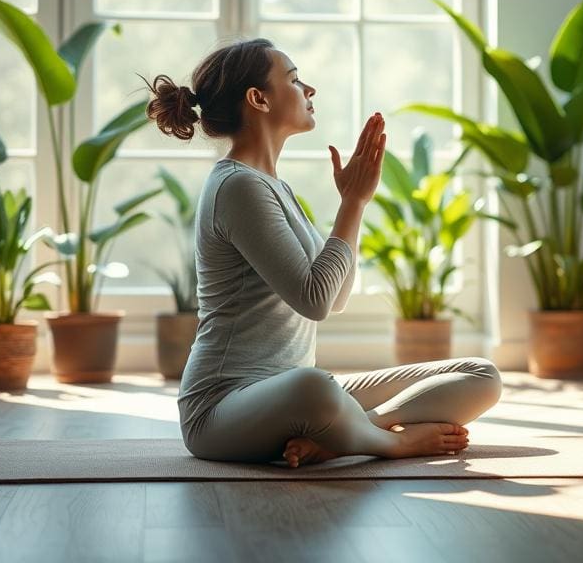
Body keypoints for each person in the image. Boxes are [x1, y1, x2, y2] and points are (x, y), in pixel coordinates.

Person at [143, 37, 502, 468]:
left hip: (293, 399)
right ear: (258, 98)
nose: (309, 90)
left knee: (482, 376)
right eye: (294, 79)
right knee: (314, 387)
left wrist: (357, 203)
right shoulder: (236, 186)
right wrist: (351, 204)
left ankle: (356, 429)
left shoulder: (275, 187)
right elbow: (314, 302)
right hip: (221, 411)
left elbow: (336, 297)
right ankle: (388, 442)